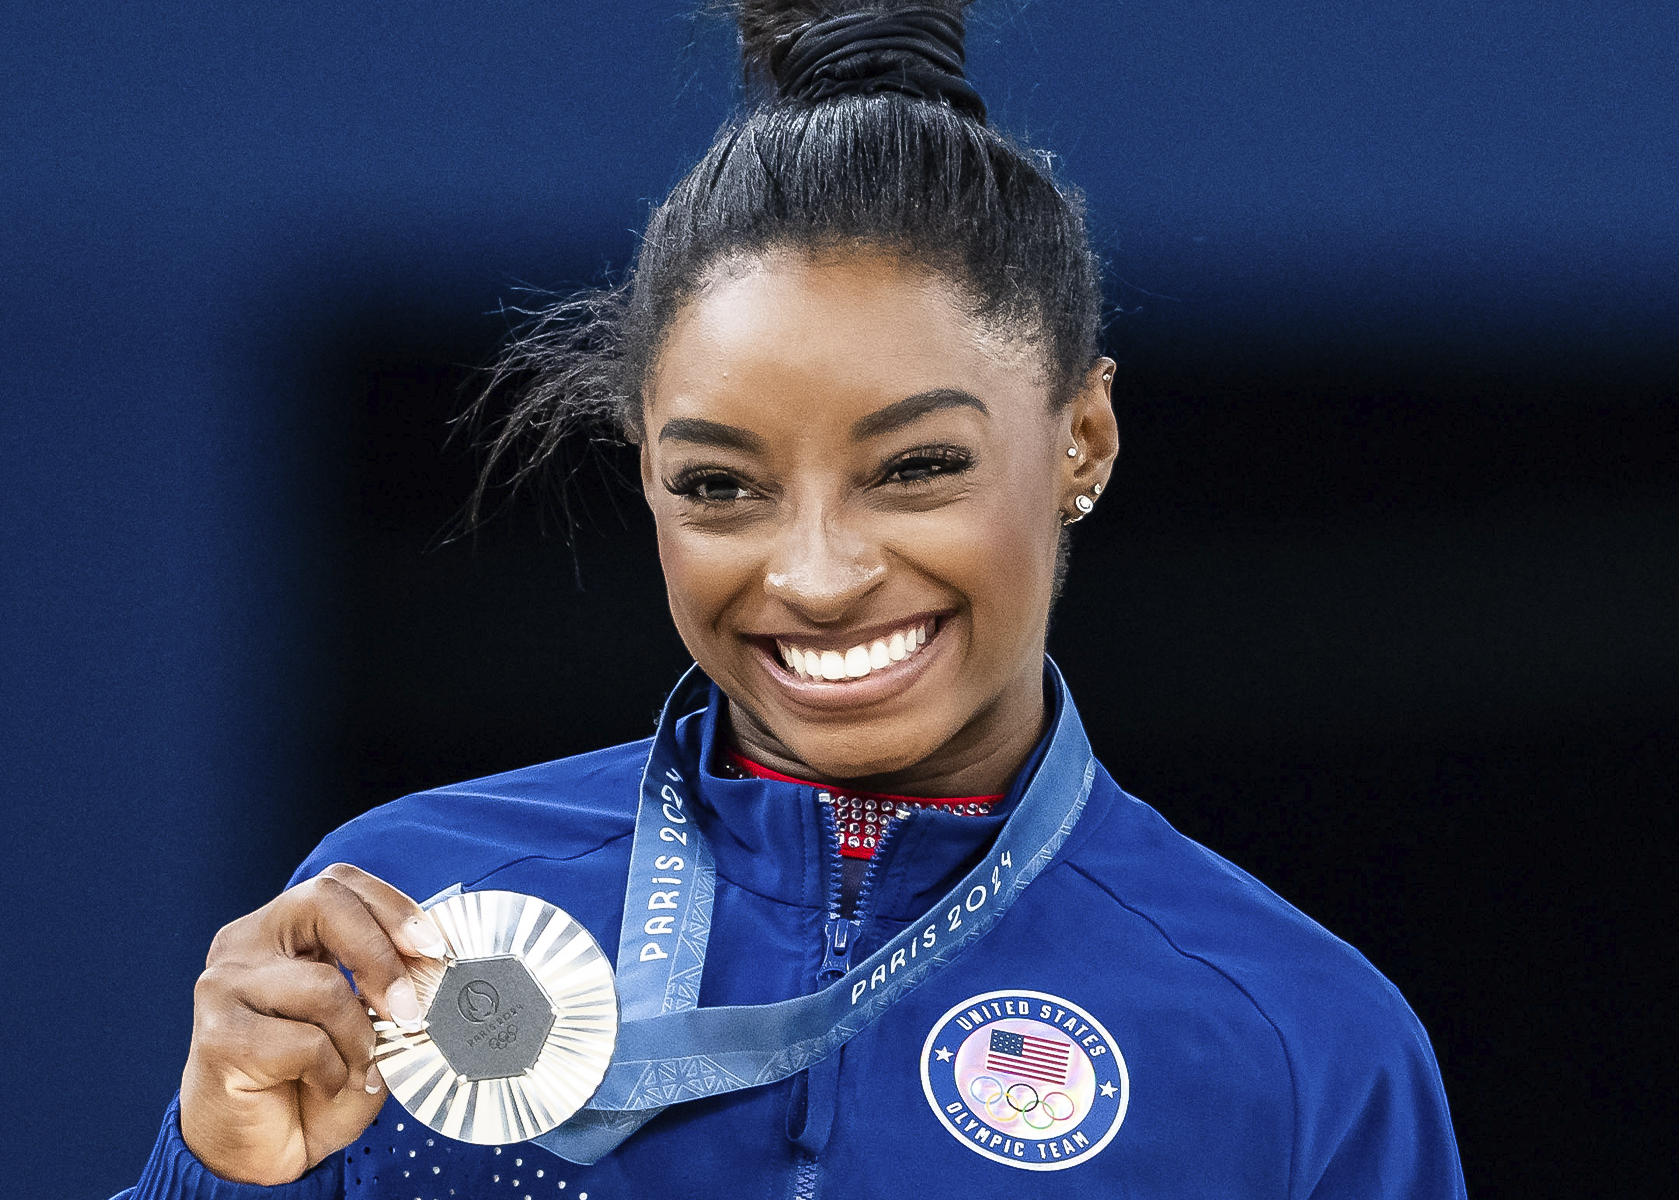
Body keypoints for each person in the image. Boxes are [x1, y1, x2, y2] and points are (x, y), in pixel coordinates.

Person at [121, 3, 1465, 1196]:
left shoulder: (1300, 1046)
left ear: (1083, 441)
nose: (817, 576)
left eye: (919, 469)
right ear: (643, 469)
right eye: (720, 487)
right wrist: (214, 1174)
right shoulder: (408, 920)